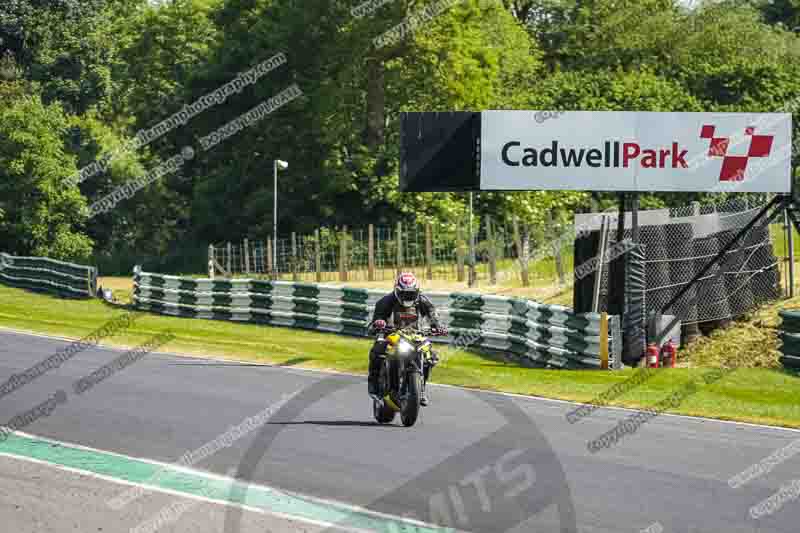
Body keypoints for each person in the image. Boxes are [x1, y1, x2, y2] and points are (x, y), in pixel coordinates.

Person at [367, 272, 447, 406]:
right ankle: (374, 385)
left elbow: (432, 315)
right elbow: (377, 319)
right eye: (405, 294)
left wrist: (437, 326)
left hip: (415, 335)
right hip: (391, 334)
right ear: (397, 291)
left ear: (417, 291)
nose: (408, 296)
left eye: (411, 293)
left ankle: (421, 390)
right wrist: (379, 323)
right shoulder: (385, 301)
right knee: (377, 350)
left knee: (431, 356)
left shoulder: (422, 300)